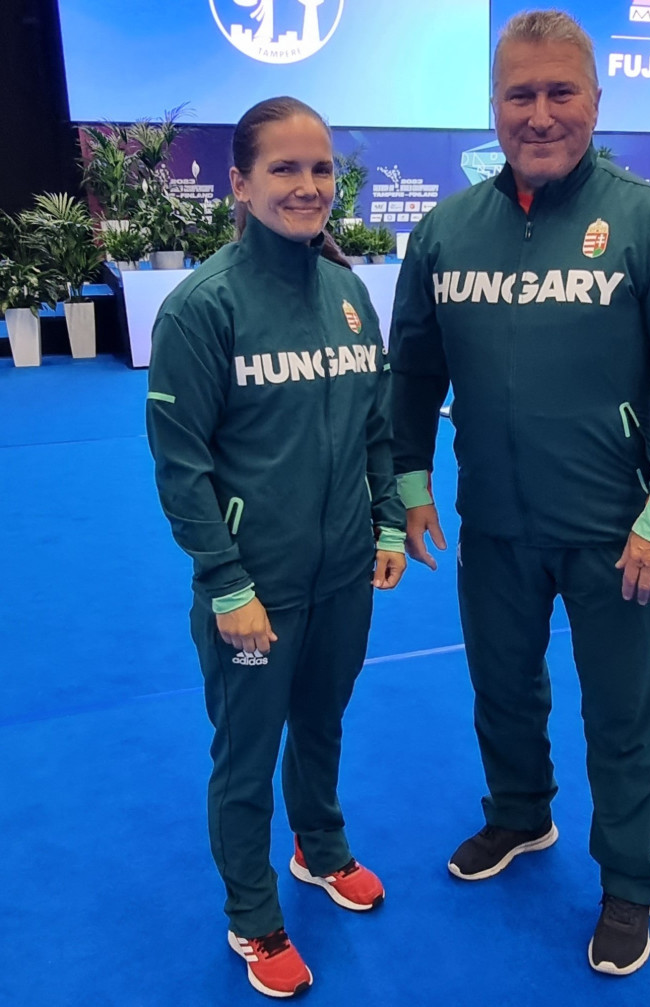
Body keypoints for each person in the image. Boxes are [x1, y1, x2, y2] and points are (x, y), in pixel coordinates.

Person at [389, 10, 650, 978]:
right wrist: (410, 483)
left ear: (595, 100)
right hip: (494, 522)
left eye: (560, 92)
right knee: (501, 685)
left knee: (624, 715)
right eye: (520, 95)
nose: (539, 114)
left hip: (617, 531)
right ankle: (519, 812)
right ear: (493, 105)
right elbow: (411, 369)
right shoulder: (446, 231)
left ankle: (629, 880)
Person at [146, 96, 407, 999]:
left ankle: (320, 848)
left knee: (324, 720)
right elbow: (181, 466)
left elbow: (375, 427)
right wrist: (226, 583)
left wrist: (384, 520)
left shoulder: (347, 295)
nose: (307, 185)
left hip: (343, 574)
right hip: (253, 586)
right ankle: (253, 914)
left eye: (321, 168)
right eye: (284, 168)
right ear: (240, 183)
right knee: (247, 755)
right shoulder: (202, 308)